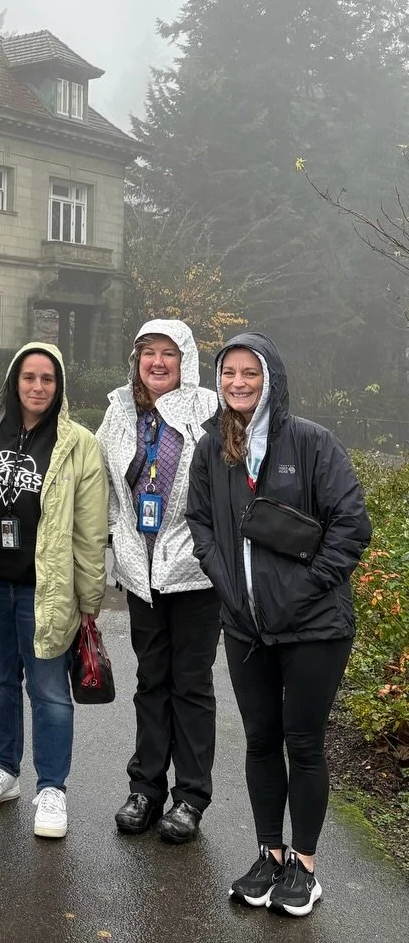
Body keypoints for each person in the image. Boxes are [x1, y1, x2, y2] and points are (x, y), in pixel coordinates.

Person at [186, 332, 370, 918]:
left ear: (272, 380)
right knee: (261, 741)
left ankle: (304, 866)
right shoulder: (213, 446)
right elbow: (200, 521)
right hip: (246, 627)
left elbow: (352, 524)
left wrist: (304, 587)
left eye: (251, 373)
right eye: (229, 372)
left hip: (314, 628)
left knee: (304, 744)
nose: (238, 383)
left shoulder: (311, 442)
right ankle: (269, 854)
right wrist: (226, 584)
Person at [0, 343, 108, 839]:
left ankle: (52, 788)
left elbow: (90, 530)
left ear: (59, 386)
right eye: (29, 377)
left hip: (47, 589)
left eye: (48, 379)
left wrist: (89, 598)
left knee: (49, 691)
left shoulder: (78, 444)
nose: (38, 387)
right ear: (13, 380)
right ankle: (4, 770)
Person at [96, 320, 222, 843]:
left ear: (185, 359)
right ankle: (145, 789)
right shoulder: (119, 410)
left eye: (169, 353)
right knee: (151, 682)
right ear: (136, 360)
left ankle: (190, 797)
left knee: (190, 684)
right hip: (141, 572)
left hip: (195, 572)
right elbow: (102, 481)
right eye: (148, 352)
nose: (158, 362)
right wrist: (112, 538)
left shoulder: (211, 409)